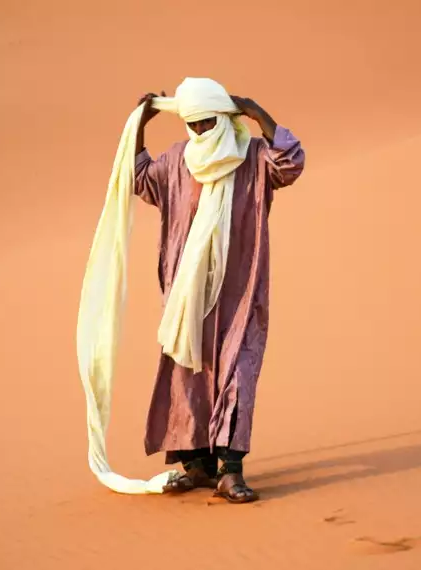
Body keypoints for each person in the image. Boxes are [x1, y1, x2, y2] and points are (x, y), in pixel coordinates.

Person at [132, 80, 305, 503]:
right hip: (188, 297)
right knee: (188, 374)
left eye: (209, 119)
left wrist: (258, 112)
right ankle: (197, 467)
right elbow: (138, 178)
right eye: (194, 122)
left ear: (223, 116)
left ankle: (231, 471)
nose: (203, 128)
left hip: (240, 292)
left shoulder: (251, 157)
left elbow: (290, 162)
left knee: (237, 373)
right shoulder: (176, 161)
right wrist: (140, 124)